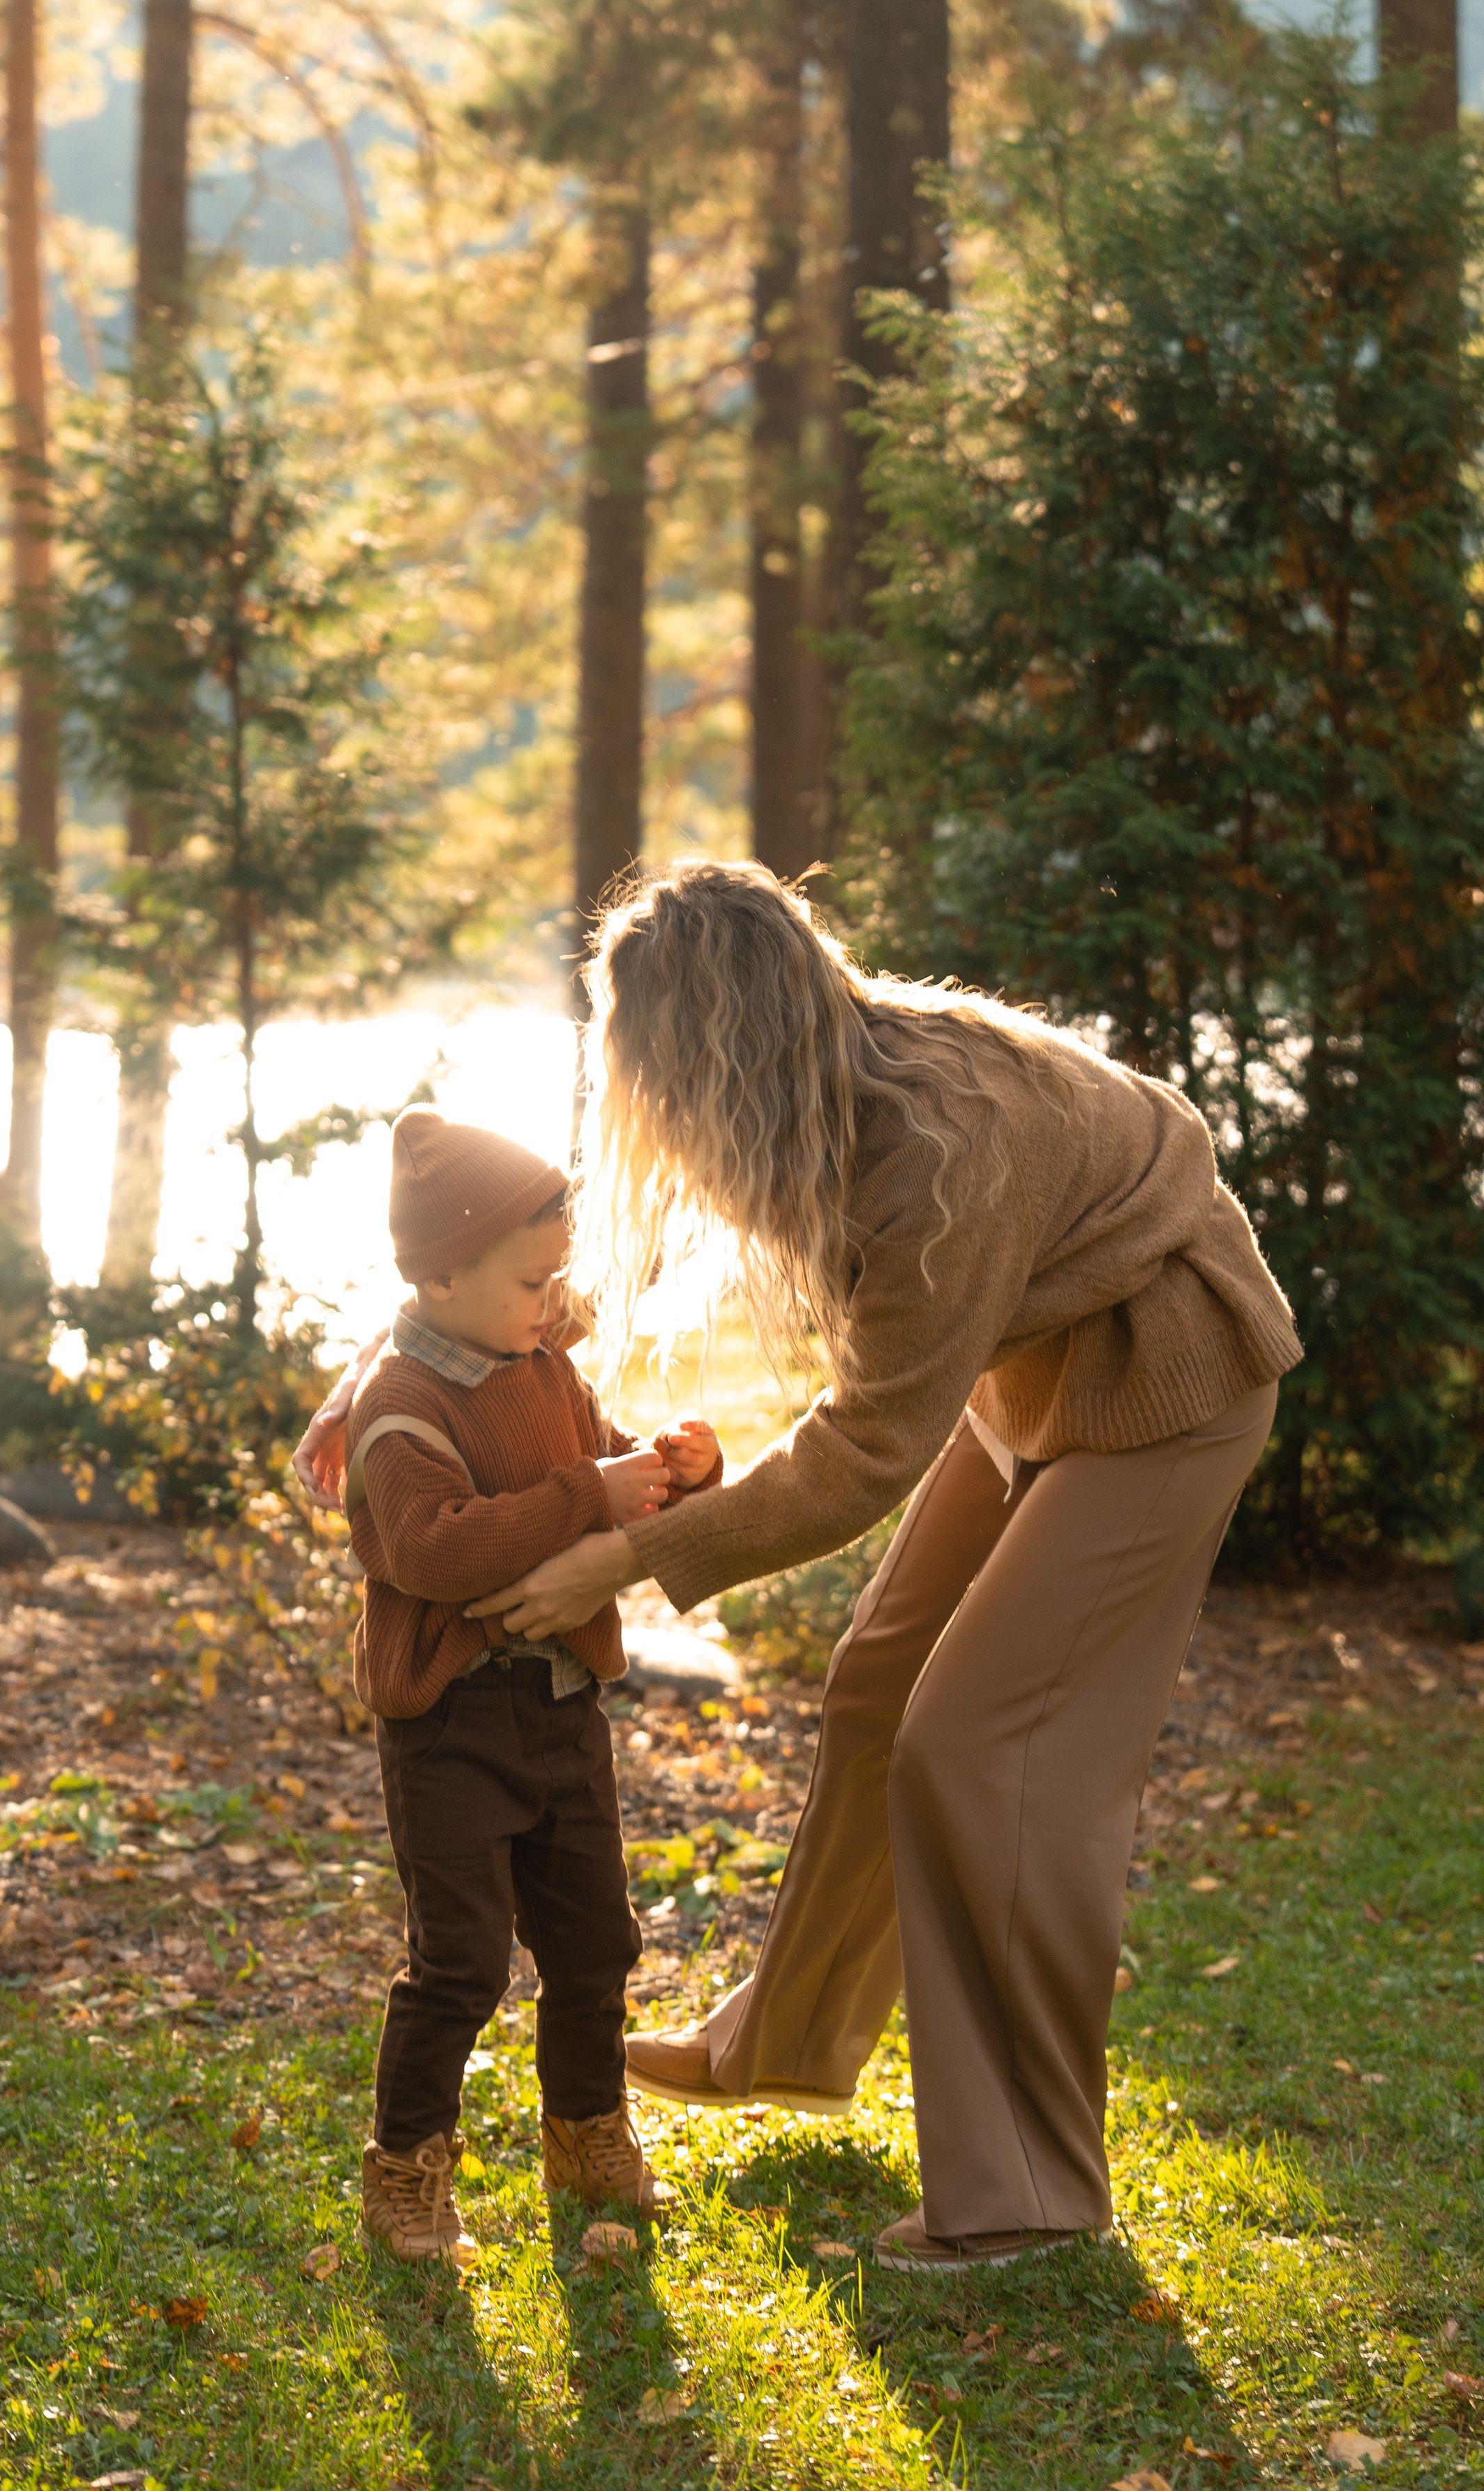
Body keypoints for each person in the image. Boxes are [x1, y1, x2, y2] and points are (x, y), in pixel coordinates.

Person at [453, 860, 1301, 2271]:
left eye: (641, 1054)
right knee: (873, 1690)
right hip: (1036, 1376)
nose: (635, 1090)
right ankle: (781, 2042)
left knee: (976, 1748)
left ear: (708, 1043)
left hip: (1167, 1389)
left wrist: (620, 1555)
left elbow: (860, 1453)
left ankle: (1029, 2191)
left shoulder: (937, 1147)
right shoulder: (825, 1084)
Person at [337, 1106, 721, 2262]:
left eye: (559, 1279)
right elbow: (436, 1550)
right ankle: (406, 2169)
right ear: (441, 1274)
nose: (554, 1304)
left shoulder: (541, 1365)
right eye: (530, 1281)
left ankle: (585, 2129)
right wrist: (591, 1497)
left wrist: (673, 1470)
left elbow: (602, 1471)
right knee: (458, 1959)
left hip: (563, 1708)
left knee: (596, 1939)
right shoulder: (398, 1407)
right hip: (451, 1728)